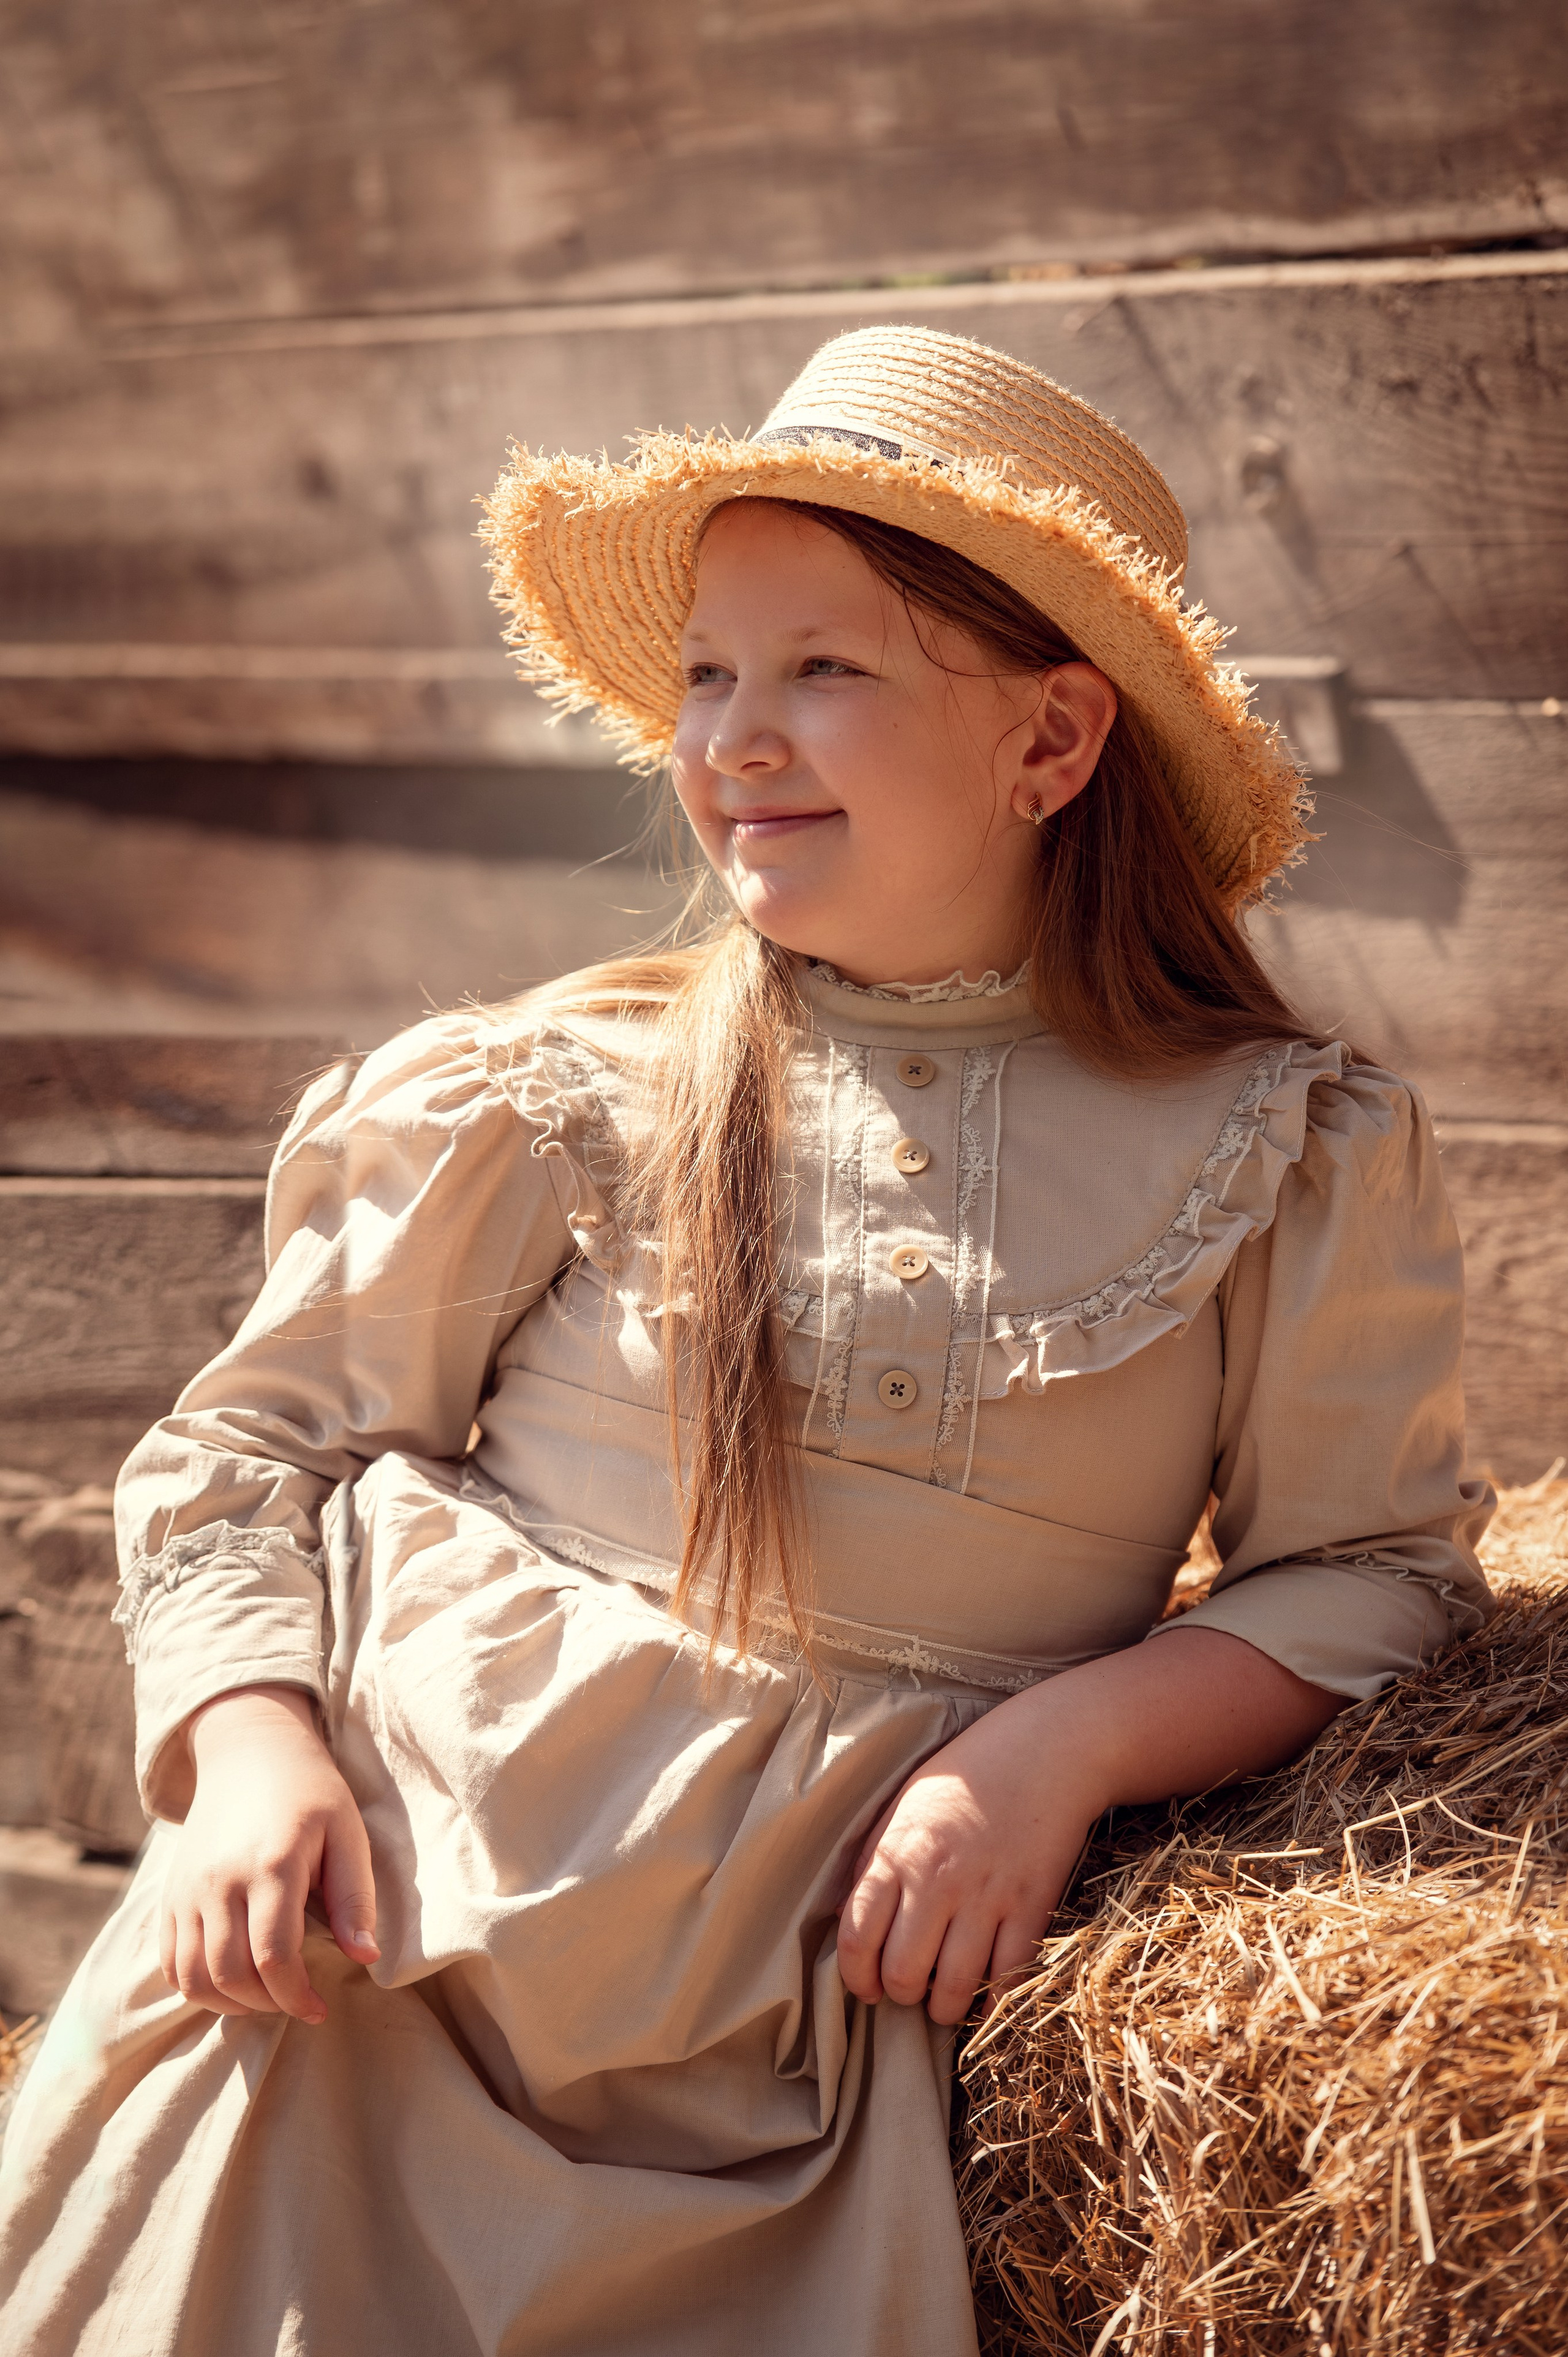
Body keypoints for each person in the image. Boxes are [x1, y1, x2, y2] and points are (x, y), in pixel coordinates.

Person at [0, 326, 1494, 2356]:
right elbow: (252, 1455)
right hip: (373, 1963)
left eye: (825, 671)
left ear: (1053, 746)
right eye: (708, 673)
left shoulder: (1279, 1149)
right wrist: (256, 1751)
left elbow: (1375, 1571)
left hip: (808, 2039)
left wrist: (1054, 1751)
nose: (732, 738)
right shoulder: (553, 1089)